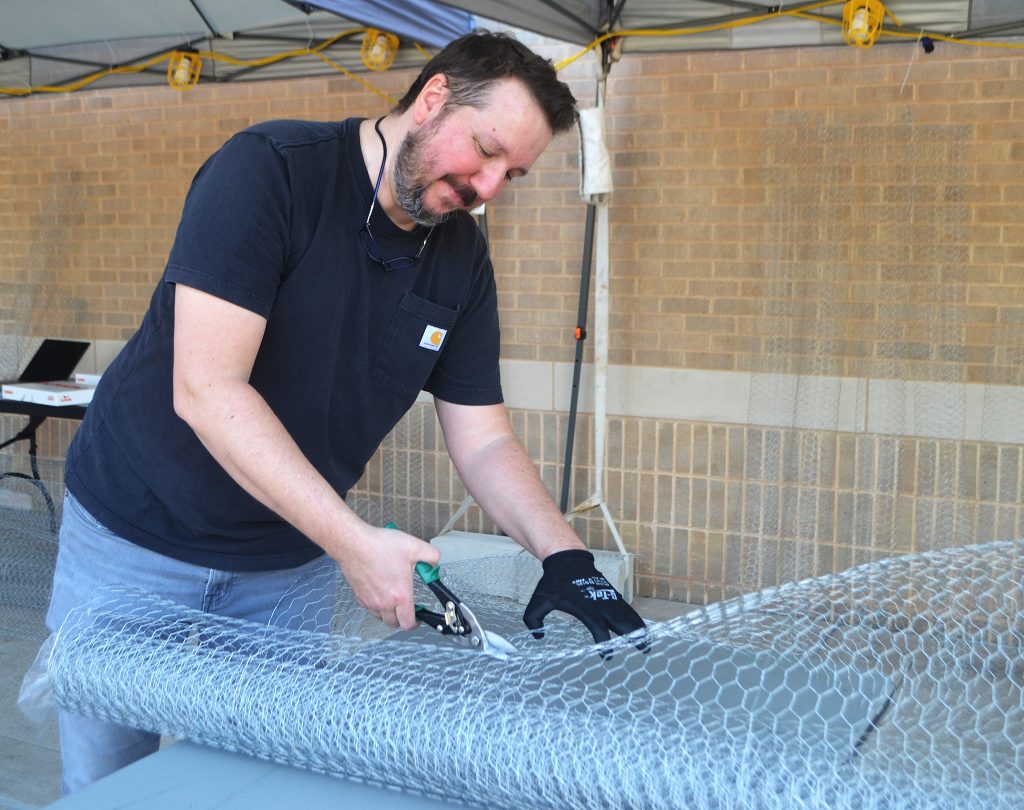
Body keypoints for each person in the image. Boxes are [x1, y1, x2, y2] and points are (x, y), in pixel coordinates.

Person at [45, 29, 647, 793]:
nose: (490, 187)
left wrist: (567, 558)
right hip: (136, 536)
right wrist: (355, 544)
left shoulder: (460, 258)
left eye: (514, 174)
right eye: (486, 150)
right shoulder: (269, 174)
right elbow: (207, 388)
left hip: (281, 565)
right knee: (107, 782)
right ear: (433, 99)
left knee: (253, 779)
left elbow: (485, 439)